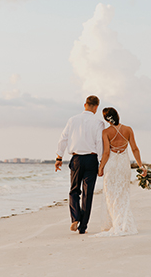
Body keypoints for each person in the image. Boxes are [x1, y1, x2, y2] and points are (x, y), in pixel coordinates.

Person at [55, 95, 105, 234]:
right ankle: (83, 227)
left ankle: (75, 218)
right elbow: (99, 144)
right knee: (88, 194)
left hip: (76, 159)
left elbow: (63, 138)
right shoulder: (99, 123)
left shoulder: (72, 120)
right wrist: (101, 163)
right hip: (91, 159)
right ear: (96, 107)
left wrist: (59, 157)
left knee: (74, 190)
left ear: (85, 105)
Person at [94, 107, 147, 237]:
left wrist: (100, 168)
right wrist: (141, 166)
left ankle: (115, 223)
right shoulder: (128, 130)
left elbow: (106, 152)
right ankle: (122, 222)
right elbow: (135, 149)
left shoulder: (106, 132)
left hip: (111, 165)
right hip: (124, 165)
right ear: (117, 115)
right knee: (123, 193)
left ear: (106, 119)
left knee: (110, 194)